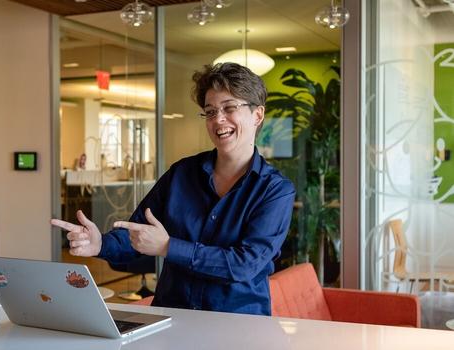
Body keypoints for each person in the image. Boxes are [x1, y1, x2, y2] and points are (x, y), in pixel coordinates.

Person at [52, 62, 296, 316]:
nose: (218, 119)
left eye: (229, 108)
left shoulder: (275, 191)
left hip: (237, 326)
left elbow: (244, 265)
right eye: (210, 112)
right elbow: (137, 232)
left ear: (258, 115)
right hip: (172, 317)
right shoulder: (181, 174)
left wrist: (169, 247)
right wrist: (100, 243)